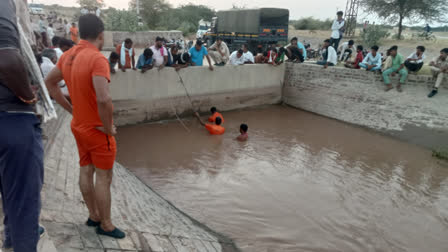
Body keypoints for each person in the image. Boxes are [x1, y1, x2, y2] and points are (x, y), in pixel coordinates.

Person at [45, 14, 126, 239]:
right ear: (101, 34)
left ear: (79, 32)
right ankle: (106, 224)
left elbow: (49, 83)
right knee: (103, 177)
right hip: (97, 130)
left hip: (79, 126)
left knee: (85, 169)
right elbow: (103, 99)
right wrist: (109, 128)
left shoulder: (68, 55)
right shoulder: (97, 59)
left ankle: (93, 215)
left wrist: (71, 110)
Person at [0, 1, 47, 251]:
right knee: (25, 202)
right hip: (11, 117)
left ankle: (10, 240)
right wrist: (27, 95)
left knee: (10, 192)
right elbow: (6, 59)